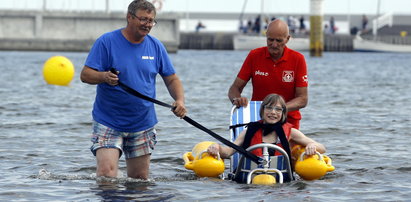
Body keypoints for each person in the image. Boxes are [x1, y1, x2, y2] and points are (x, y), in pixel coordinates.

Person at [80, 0, 186, 180]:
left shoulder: (156, 46)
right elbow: (85, 75)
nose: (148, 24)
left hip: (142, 123)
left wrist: (180, 101)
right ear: (129, 17)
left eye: (151, 21)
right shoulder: (107, 42)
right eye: (143, 19)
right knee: (106, 176)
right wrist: (104, 77)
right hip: (109, 121)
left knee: (139, 182)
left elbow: (172, 78)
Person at [207, 93, 325, 168]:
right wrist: (217, 147)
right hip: (251, 181)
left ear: (283, 113)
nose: (273, 112)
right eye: (269, 108)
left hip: (281, 181)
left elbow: (322, 148)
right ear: (262, 111)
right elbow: (228, 152)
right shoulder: (248, 131)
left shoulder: (291, 132)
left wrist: (311, 145)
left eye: (278, 109)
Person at [228, 19, 308, 129]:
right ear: (266, 36)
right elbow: (234, 89)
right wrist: (236, 99)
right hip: (258, 121)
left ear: (287, 39)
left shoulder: (298, 59)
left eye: (279, 41)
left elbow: (303, 99)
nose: (274, 44)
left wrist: (278, 109)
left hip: (288, 122)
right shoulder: (254, 55)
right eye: (270, 40)